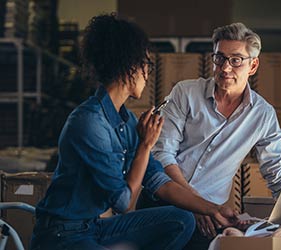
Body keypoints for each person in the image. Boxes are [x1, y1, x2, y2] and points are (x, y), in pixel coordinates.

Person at [30, 13, 239, 250]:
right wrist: (145, 145)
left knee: (180, 219)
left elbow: (159, 181)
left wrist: (214, 209)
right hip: (61, 236)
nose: (148, 74)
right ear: (129, 65)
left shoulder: (126, 119)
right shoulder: (89, 123)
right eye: (146, 64)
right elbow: (123, 203)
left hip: (93, 227)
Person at [137, 22, 281, 249]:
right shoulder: (185, 93)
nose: (225, 68)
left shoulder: (263, 114)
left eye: (236, 60)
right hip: (161, 204)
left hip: (210, 220)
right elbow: (162, 154)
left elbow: (276, 173)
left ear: (253, 65)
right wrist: (196, 204)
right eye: (219, 58)